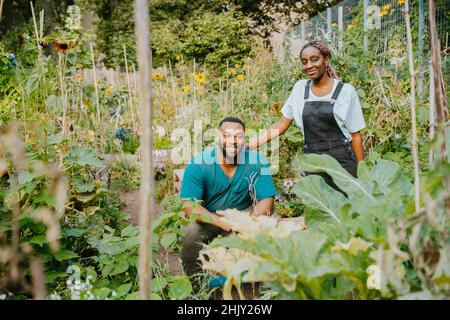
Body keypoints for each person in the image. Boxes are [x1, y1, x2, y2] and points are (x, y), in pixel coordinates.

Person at [247, 40, 365, 192]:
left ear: (326, 59)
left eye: (314, 59)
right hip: (313, 161)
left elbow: (355, 134)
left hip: (342, 161)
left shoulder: (346, 91)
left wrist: (362, 169)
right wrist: (251, 145)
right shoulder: (299, 89)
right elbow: (281, 124)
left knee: (348, 209)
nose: (309, 65)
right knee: (319, 207)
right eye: (304, 62)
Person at [179, 117, 276, 276]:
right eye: (226, 135)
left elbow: (266, 200)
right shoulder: (198, 164)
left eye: (238, 136)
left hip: (244, 215)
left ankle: (267, 286)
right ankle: (196, 286)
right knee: (190, 233)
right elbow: (189, 206)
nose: (233, 141)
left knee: (272, 226)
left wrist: (248, 222)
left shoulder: (258, 162)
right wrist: (225, 224)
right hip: (209, 218)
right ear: (218, 136)